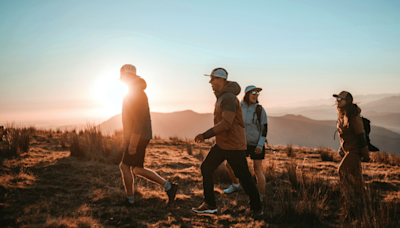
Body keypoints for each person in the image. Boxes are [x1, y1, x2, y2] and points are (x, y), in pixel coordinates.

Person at [192, 68, 263, 217]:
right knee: (206, 168)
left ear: (222, 80)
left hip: (233, 145)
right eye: (210, 79)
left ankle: (257, 208)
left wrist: (205, 135)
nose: (210, 82)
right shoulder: (222, 96)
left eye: (213, 79)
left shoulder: (228, 97)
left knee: (244, 176)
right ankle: (210, 204)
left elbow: (226, 123)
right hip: (223, 144)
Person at [119, 64, 178, 205]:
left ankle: (130, 200)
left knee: (124, 166)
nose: (120, 76)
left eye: (122, 74)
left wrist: (132, 143)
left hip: (138, 137)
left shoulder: (136, 93)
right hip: (138, 136)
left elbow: (139, 121)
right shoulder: (133, 91)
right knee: (138, 169)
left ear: (128, 76)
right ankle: (169, 187)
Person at [224, 85, 267, 203]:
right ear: (247, 93)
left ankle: (261, 195)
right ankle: (235, 185)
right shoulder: (239, 107)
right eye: (253, 92)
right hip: (241, 143)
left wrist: (260, 145)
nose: (255, 94)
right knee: (229, 164)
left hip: (256, 144)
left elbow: (264, 128)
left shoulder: (259, 109)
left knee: (257, 170)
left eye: (257, 93)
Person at [334, 91, 370, 191]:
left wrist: (365, 153)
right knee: (357, 179)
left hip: (355, 151)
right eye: (337, 99)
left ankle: (348, 195)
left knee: (342, 171)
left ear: (347, 101)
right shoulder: (342, 114)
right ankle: (362, 198)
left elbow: (360, 135)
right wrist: (341, 147)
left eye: (340, 99)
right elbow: (345, 135)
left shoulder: (353, 115)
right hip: (348, 150)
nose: (337, 101)